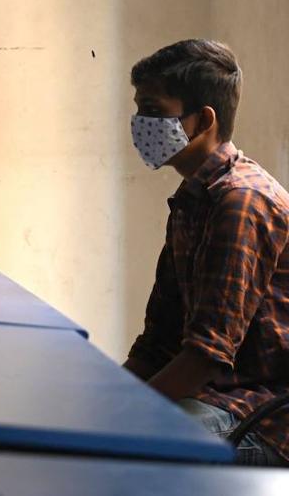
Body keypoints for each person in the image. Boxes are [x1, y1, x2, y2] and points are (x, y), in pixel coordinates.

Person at [123, 39, 289, 466]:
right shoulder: (193, 199)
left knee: (129, 446)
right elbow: (157, 342)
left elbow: (205, 357)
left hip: (261, 415)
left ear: (204, 120)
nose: (142, 124)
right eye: (140, 110)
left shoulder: (242, 201)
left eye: (155, 111)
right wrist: (105, 395)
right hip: (210, 397)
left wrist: (119, 414)